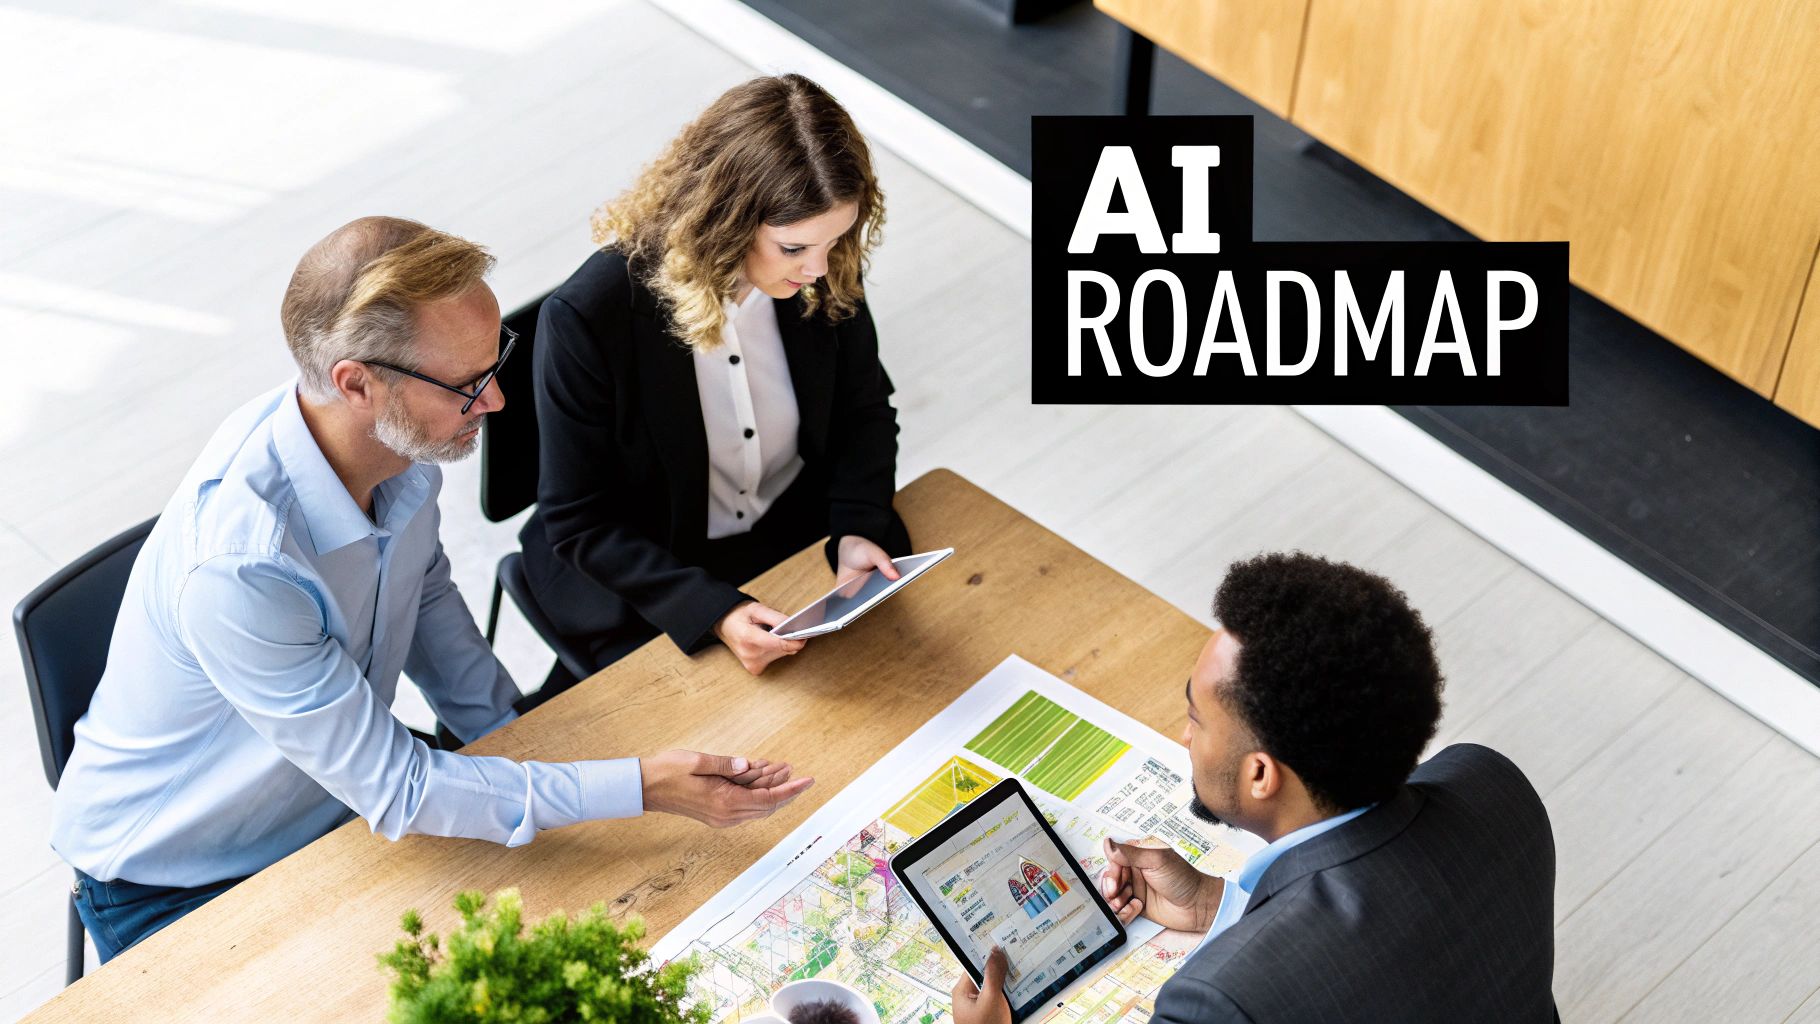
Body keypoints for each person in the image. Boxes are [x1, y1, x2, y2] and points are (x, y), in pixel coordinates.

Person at [49, 217, 813, 963]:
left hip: (332, 796)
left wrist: (510, 734)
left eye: (494, 363)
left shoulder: (394, 446)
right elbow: (401, 790)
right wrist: (640, 786)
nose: (497, 402)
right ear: (357, 384)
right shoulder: (240, 568)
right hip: (177, 877)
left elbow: (424, 593)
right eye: (466, 384)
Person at [951, 553, 1557, 1024]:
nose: (1183, 737)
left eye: (1196, 719)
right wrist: (1218, 907)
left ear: (1261, 775)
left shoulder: (1221, 1001)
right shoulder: (1489, 783)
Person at [519, 73, 910, 688]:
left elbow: (864, 407)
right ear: (726, 220)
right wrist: (715, 612)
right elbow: (578, 520)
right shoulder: (589, 318)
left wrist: (859, 525)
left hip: (791, 536)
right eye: (792, 248)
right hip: (650, 576)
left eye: (836, 240)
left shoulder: (823, 264)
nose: (819, 268)